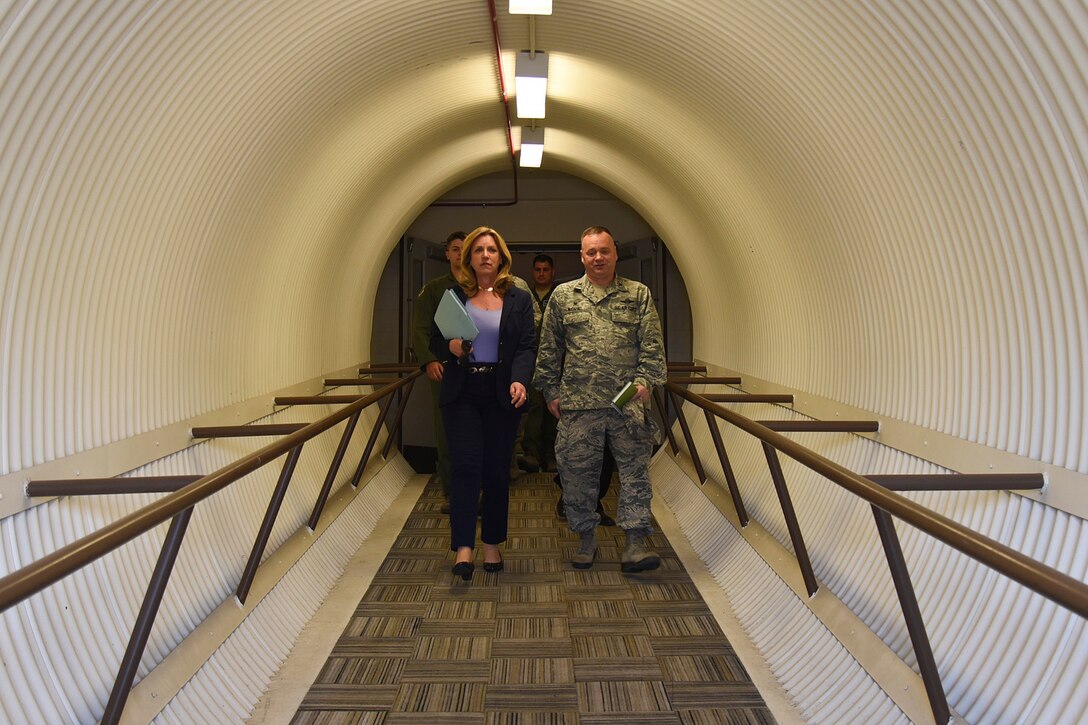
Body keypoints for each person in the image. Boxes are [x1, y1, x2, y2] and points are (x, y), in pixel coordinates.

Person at [534, 225, 667, 572]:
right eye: (591, 252)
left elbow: (653, 349)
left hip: (627, 406)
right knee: (577, 476)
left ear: (615, 254)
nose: (598, 258)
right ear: (582, 256)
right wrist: (550, 392)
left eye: (604, 251)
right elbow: (549, 349)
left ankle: (635, 545)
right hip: (578, 406)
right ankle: (586, 541)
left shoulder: (638, 295)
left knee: (635, 474)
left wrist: (644, 383)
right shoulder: (563, 296)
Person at [430, 226, 536, 580]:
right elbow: (434, 340)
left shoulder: (518, 298)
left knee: (495, 470)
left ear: (502, 257)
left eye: (492, 249)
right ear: (468, 258)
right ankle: (463, 546)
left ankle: (491, 542)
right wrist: (450, 347)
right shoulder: (453, 296)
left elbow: (526, 346)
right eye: (478, 250)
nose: (485, 255)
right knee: (465, 468)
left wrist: (520, 378)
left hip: (501, 391)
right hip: (463, 392)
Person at [412, 231, 466, 512]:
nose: (459, 254)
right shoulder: (434, 290)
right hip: (444, 369)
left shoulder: (480, 285)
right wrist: (429, 361)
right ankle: (453, 493)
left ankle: (478, 491)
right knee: (447, 433)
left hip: (476, 370)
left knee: (476, 432)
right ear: (447, 253)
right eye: (455, 249)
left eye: (464, 249)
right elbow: (421, 329)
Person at [520, 253, 559, 473]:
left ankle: (552, 456)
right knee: (533, 408)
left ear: (552, 272)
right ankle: (532, 456)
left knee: (554, 409)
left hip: (557, 362)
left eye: (546, 269)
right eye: (538, 270)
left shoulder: (561, 295)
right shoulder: (526, 295)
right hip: (532, 361)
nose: (542, 273)